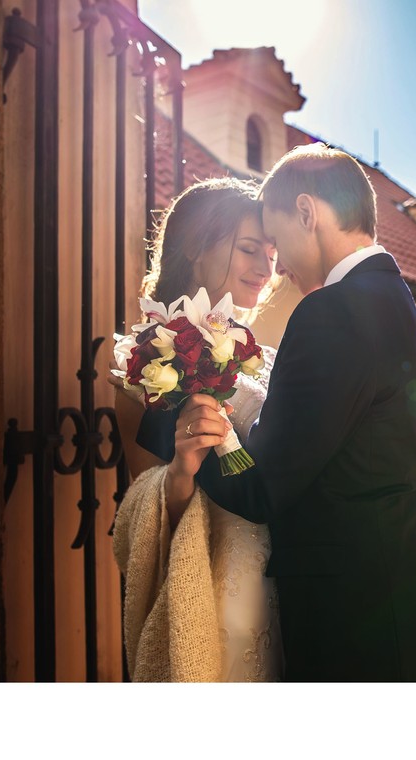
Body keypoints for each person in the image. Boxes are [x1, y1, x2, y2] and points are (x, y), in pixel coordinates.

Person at [141, 144, 416, 682]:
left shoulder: (332, 312)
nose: (276, 266)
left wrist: (192, 435)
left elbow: (263, 490)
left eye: (275, 244)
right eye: (255, 247)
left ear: (306, 213)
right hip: (391, 605)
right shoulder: (397, 301)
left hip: (353, 622)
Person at [111, 176, 284, 682]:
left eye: (272, 253)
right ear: (194, 247)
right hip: (216, 587)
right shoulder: (140, 363)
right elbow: (139, 501)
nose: (266, 268)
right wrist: (183, 468)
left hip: (287, 574)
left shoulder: (268, 360)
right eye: (250, 248)